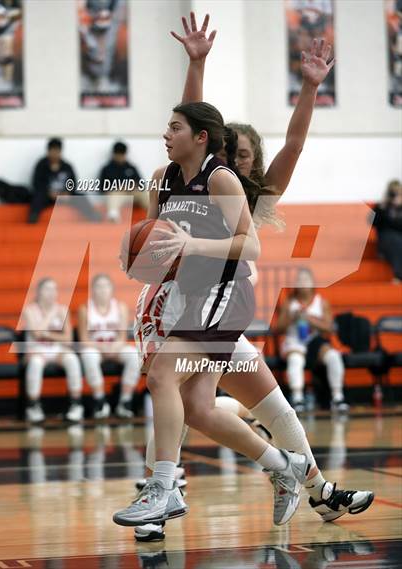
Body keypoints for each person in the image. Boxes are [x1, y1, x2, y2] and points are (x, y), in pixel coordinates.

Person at [119, 13, 373, 541]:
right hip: (192, 302)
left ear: (250, 164)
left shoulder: (245, 192)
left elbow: (294, 146)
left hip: (221, 304)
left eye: (240, 154)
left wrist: (308, 88)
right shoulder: (193, 174)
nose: (230, 158)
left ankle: (311, 486)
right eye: (226, 149)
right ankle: (176, 487)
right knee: (192, 402)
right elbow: (191, 124)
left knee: (228, 402)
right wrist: (197, 63)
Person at [277, 267, 349, 413]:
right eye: (300, 279)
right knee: (295, 359)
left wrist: (310, 319)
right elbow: (278, 329)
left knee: (333, 357)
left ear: (313, 282)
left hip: (315, 343)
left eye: (306, 279)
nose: (303, 282)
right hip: (294, 342)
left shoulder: (321, 302)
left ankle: (338, 397)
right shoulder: (289, 303)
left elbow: (329, 328)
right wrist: (293, 317)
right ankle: (297, 398)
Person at [78, 273, 142, 419]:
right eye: (99, 286)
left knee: (134, 355)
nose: (102, 290)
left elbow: (122, 337)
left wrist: (113, 347)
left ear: (111, 289)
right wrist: (101, 348)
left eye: (106, 286)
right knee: (89, 355)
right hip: (95, 348)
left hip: (115, 347)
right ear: (92, 289)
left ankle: (125, 401)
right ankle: (99, 400)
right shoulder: (85, 309)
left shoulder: (120, 307)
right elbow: (83, 339)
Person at [22, 278, 84, 423]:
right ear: (38, 292)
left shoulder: (63, 310)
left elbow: (68, 339)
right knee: (36, 362)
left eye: (54, 289)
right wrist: (51, 314)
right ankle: (33, 406)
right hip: (36, 350)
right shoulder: (29, 310)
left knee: (72, 359)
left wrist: (47, 334)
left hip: (57, 350)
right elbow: (36, 334)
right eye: (47, 289)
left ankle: (76, 404)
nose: (52, 293)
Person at [28, 138, 101, 224]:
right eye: (52, 151)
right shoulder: (41, 165)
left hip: (64, 196)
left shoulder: (67, 166)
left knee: (80, 197)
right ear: (48, 151)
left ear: (60, 151)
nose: (55, 154)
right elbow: (36, 183)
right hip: (48, 196)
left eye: (57, 151)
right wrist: (49, 193)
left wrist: (67, 193)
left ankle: (91, 215)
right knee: (37, 197)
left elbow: (73, 183)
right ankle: (33, 216)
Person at [99, 141, 147, 222]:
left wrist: (133, 185)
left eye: (122, 154)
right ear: (114, 154)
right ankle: (113, 216)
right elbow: (102, 188)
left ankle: (156, 214)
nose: (120, 157)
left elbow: (141, 184)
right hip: (118, 195)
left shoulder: (131, 167)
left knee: (146, 193)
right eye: (118, 154)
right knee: (114, 194)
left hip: (132, 193)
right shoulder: (107, 169)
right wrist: (119, 187)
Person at [372, 179, 402, 284]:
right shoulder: (382, 207)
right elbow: (373, 223)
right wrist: (382, 207)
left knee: (398, 241)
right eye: (393, 193)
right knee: (396, 240)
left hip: (398, 240)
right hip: (386, 240)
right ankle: (398, 275)